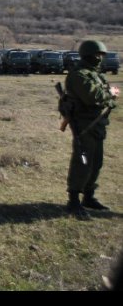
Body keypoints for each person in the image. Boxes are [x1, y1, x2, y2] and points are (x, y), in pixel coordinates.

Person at [64, 40, 119, 220]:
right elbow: (92, 97)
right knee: (83, 162)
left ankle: (88, 196)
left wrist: (108, 95)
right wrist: (110, 94)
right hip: (84, 125)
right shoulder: (79, 75)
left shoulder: (95, 74)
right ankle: (73, 200)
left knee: (96, 162)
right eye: (97, 55)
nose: (100, 59)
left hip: (97, 124)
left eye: (101, 55)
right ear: (88, 55)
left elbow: (105, 96)